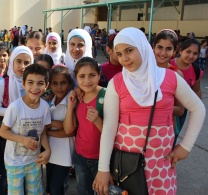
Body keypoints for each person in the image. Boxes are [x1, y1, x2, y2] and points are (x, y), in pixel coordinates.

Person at [93, 27, 206, 195]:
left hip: (160, 166)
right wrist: (103, 169)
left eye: (129, 50)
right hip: (127, 167)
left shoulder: (170, 77)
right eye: (119, 53)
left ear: (143, 47)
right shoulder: (117, 83)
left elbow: (198, 108)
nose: (124, 58)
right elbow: (109, 127)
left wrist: (186, 146)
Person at [0, 64, 51, 195]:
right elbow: (3, 131)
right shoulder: (15, 107)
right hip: (14, 162)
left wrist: (48, 150)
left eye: (40, 83)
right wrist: (22, 139)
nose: (35, 87)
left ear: (46, 85)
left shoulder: (45, 107)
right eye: (30, 82)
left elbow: (43, 133)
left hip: (34, 161)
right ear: (23, 84)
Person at [0, 46, 34, 194]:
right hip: (7, 134)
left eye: (27, 63)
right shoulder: (4, 83)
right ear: (12, 62)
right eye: (19, 61)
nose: (22, 66)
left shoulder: (33, 83)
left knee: (29, 171)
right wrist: (17, 112)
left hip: (29, 133)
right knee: (8, 173)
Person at [63, 57, 105, 195]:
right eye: (82, 76)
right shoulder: (78, 97)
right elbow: (69, 129)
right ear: (76, 77)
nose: (87, 80)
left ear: (99, 75)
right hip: (81, 157)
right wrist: (70, 107)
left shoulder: (107, 96)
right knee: (84, 191)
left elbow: (115, 134)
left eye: (92, 75)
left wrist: (97, 120)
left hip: (103, 159)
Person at [46, 65, 75, 195]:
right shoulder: (50, 101)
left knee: (55, 188)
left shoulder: (70, 102)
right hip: (51, 152)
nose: (59, 87)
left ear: (69, 83)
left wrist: (48, 130)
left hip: (64, 154)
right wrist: (54, 124)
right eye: (55, 83)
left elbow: (70, 131)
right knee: (50, 188)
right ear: (49, 84)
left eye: (63, 83)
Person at [153, 29, 185, 146]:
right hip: (141, 125)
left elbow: (181, 110)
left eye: (168, 49)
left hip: (165, 128)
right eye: (160, 47)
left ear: (175, 51)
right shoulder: (143, 70)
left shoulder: (177, 74)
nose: (163, 52)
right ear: (153, 47)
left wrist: (158, 107)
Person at [169, 38, 203, 130]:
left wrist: (196, 110)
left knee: (174, 137)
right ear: (180, 51)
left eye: (195, 53)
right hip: (165, 108)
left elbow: (196, 90)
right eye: (188, 51)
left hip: (181, 111)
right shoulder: (167, 64)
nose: (191, 56)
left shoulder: (196, 71)